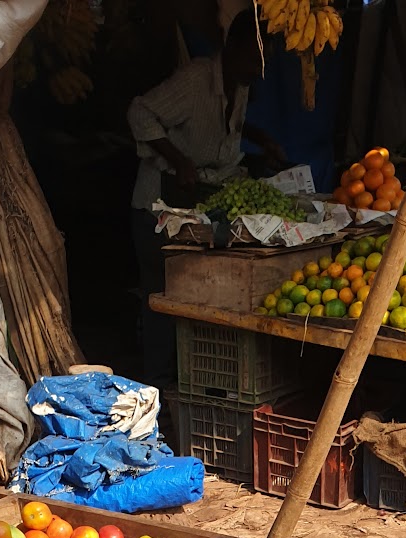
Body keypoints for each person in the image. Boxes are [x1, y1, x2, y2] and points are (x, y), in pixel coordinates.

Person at [127, 8, 285, 387]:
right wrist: (178, 160)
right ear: (231, 47)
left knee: (193, 299)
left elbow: (223, 130)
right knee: (162, 298)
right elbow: (139, 113)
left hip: (198, 205)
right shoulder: (197, 79)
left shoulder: (240, 86)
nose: (256, 70)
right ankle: (158, 387)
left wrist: (259, 138)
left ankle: (189, 382)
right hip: (158, 207)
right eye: (251, 59)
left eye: (262, 63)